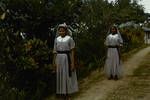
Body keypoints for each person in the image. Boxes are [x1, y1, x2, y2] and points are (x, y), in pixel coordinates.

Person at [53, 23, 78, 100]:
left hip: (67, 58)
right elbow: (55, 51)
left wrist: (72, 63)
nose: (61, 32)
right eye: (60, 31)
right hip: (59, 59)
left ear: (66, 31)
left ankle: (67, 94)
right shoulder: (57, 39)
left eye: (63, 31)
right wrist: (54, 62)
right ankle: (61, 93)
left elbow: (72, 51)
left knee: (67, 75)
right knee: (60, 75)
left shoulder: (69, 39)